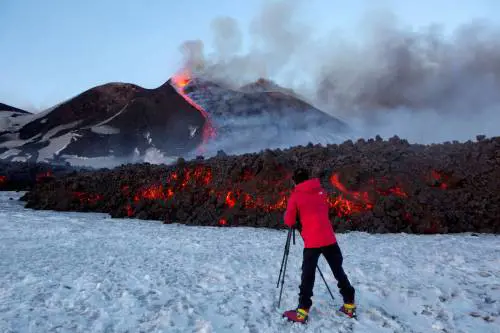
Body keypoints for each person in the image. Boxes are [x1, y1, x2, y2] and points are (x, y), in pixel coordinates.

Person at [282, 168, 356, 323]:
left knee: (308, 275)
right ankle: (349, 305)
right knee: (338, 271)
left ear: (295, 180)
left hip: (312, 241)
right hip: (329, 237)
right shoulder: (320, 192)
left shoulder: (296, 196)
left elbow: (289, 221)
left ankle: (302, 311)